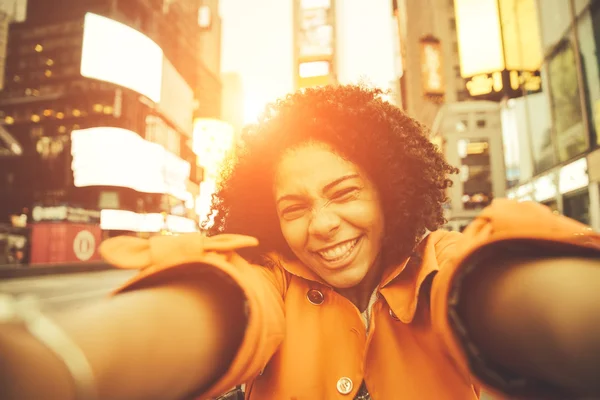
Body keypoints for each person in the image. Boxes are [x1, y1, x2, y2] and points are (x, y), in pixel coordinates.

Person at [1, 84, 599, 400]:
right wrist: (54, 364)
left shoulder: (445, 262)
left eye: (343, 193)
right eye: (295, 207)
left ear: (390, 191)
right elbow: (218, 311)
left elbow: (500, 292)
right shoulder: (270, 280)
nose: (321, 225)